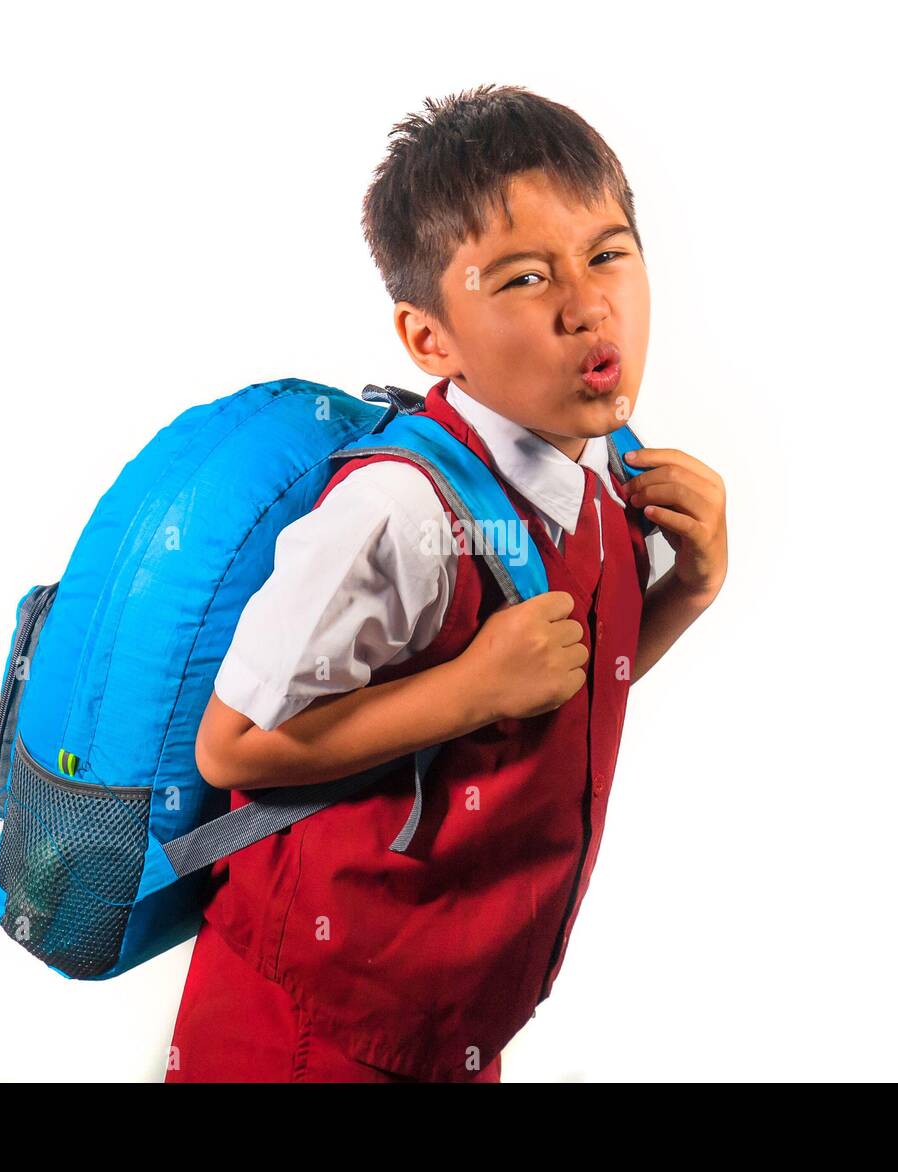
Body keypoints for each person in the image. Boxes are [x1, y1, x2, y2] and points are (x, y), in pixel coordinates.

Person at [164, 83, 728, 1083]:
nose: (586, 304)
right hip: (308, 1025)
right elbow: (232, 741)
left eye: (607, 254)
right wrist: (473, 686)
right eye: (520, 278)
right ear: (429, 339)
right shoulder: (398, 510)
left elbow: (554, 695)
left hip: (452, 1017)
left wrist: (686, 587)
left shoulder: (597, 471)